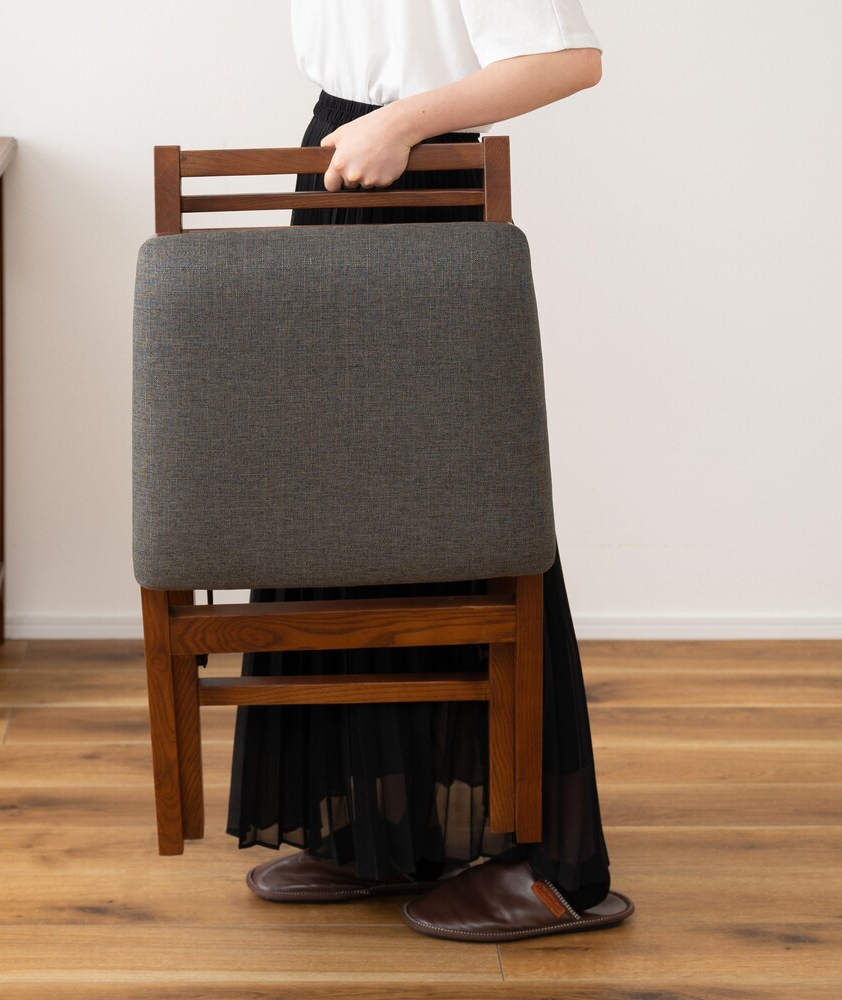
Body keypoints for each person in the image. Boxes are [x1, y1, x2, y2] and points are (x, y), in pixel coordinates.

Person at [226, 0, 635, 943]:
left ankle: (558, 865)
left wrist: (402, 122)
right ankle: (383, 825)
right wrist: (371, 131)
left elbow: (568, 58)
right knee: (340, 509)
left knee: (473, 511)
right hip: (337, 162)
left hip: (419, 176)